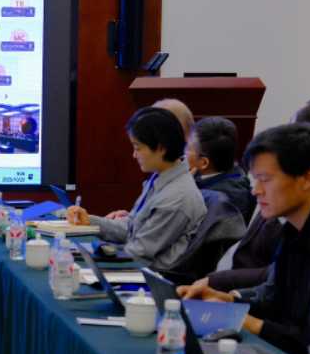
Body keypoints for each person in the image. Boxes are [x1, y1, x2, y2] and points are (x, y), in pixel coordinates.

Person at [180, 122, 310, 354]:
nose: (256, 190)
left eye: (265, 179)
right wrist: (227, 299)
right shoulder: (294, 228)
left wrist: (242, 320)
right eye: (255, 179)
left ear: (306, 178)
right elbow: (274, 296)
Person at [208, 97, 310, 291]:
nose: (256, 190)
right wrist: (232, 296)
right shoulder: (295, 220)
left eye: (265, 179)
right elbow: (275, 291)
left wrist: (220, 283)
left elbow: (283, 285)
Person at [66, 107, 205, 272]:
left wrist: (88, 254)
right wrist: (91, 222)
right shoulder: (160, 177)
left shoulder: (176, 198)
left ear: (161, 148)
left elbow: (139, 253)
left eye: (138, 148)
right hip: (135, 263)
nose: (134, 155)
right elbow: (131, 228)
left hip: (149, 275)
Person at [188, 116, 253, 221]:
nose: (183, 152)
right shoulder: (224, 170)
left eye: (188, 148)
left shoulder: (223, 201)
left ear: (204, 163)